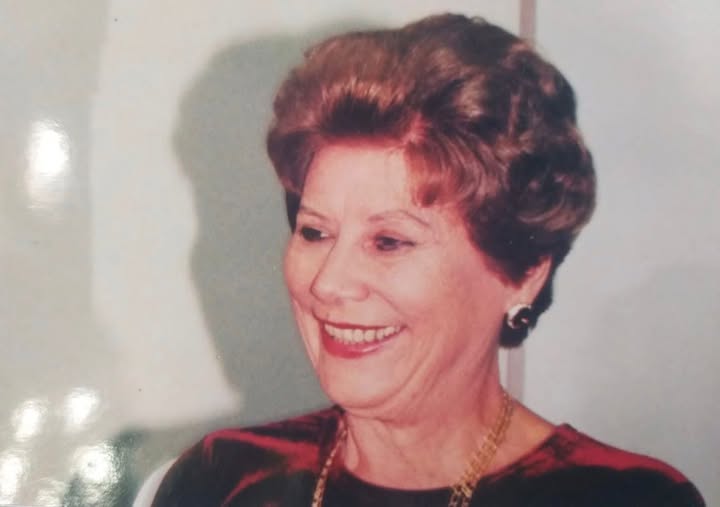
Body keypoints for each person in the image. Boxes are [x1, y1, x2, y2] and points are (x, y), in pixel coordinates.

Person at [152, 14, 704, 506]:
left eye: (389, 242)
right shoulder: (222, 480)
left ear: (523, 273)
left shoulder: (622, 496)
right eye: (315, 232)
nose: (329, 283)